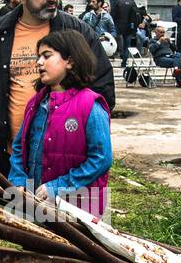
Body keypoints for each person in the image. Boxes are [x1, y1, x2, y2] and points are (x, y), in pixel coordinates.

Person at [0, 0, 115, 174]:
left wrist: (73, 130)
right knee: (16, 208)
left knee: (60, 209)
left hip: (64, 163)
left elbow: (103, 89)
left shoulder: (77, 32)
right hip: (10, 161)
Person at [8, 29, 112, 216]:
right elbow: (19, 146)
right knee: (35, 244)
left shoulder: (91, 105)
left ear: (70, 61)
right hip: (36, 203)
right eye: (38, 56)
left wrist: (59, 186)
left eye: (47, 56)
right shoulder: (35, 103)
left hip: (79, 208)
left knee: (70, 246)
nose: (39, 62)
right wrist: (18, 180)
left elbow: (102, 159)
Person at [110, 0, 138, 66]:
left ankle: (117, 55)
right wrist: (134, 29)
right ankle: (124, 61)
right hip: (129, 27)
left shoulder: (117, 2)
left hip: (118, 26)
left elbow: (113, 14)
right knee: (127, 45)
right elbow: (136, 17)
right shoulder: (132, 3)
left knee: (118, 41)